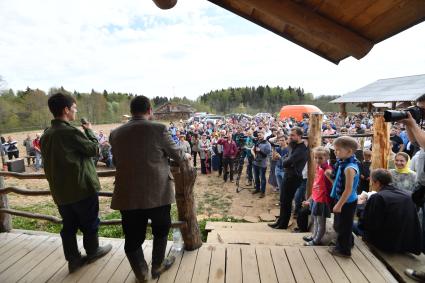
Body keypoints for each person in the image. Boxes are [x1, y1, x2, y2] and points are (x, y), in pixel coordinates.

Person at [110, 96, 191, 281]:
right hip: (158, 192)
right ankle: (157, 266)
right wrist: (185, 153)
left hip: (128, 194)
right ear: (150, 111)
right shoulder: (159, 128)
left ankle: (141, 273)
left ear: (132, 111)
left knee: (132, 237)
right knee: (161, 230)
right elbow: (177, 154)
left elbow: (116, 161)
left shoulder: (115, 133)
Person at [40, 93, 112, 274]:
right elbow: (94, 149)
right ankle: (93, 251)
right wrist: (89, 131)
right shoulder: (70, 132)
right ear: (66, 110)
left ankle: (73, 260)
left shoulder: (46, 135)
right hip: (81, 189)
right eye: (74, 108)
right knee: (90, 222)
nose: (75, 111)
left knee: (69, 226)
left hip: (60, 192)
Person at [359, 169, 422, 254]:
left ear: (377, 182)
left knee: (351, 225)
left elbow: (368, 224)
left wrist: (361, 206)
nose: (371, 184)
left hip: (387, 244)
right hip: (407, 242)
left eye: (372, 181)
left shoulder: (378, 197)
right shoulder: (408, 194)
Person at [269, 127, 308, 229]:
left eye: (293, 135)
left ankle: (283, 224)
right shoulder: (293, 146)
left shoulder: (301, 149)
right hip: (288, 175)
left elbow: (286, 162)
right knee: (283, 199)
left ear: (299, 136)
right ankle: (280, 221)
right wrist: (286, 159)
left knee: (287, 201)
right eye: (290, 135)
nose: (290, 137)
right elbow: (287, 159)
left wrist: (283, 159)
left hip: (293, 177)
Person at [328, 136, 360, 257]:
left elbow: (348, 189)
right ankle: (347, 242)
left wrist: (339, 204)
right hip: (341, 199)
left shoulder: (349, 168)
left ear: (349, 151)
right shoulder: (342, 163)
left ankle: (344, 251)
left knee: (343, 227)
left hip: (346, 201)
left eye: (338, 150)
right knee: (340, 225)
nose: (335, 152)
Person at [302, 147, 333, 246]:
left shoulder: (328, 170)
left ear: (327, 157)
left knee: (320, 222)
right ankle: (314, 236)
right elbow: (316, 185)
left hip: (322, 200)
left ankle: (316, 241)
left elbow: (332, 185)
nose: (317, 160)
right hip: (316, 198)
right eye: (315, 157)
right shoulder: (318, 168)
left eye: (320, 158)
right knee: (314, 219)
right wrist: (310, 199)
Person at [252, 131, 271, 198]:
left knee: (262, 178)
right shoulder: (257, 142)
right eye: (258, 135)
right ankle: (257, 189)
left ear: (264, 135)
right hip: (255, 163)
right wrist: (254, 151)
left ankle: (262, 192)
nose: (259, 136)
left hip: (262, 164)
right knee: (256, 177)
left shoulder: (267, 144)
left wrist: (260, 151)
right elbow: (254, 151)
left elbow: (266, 155)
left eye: (260, 135)